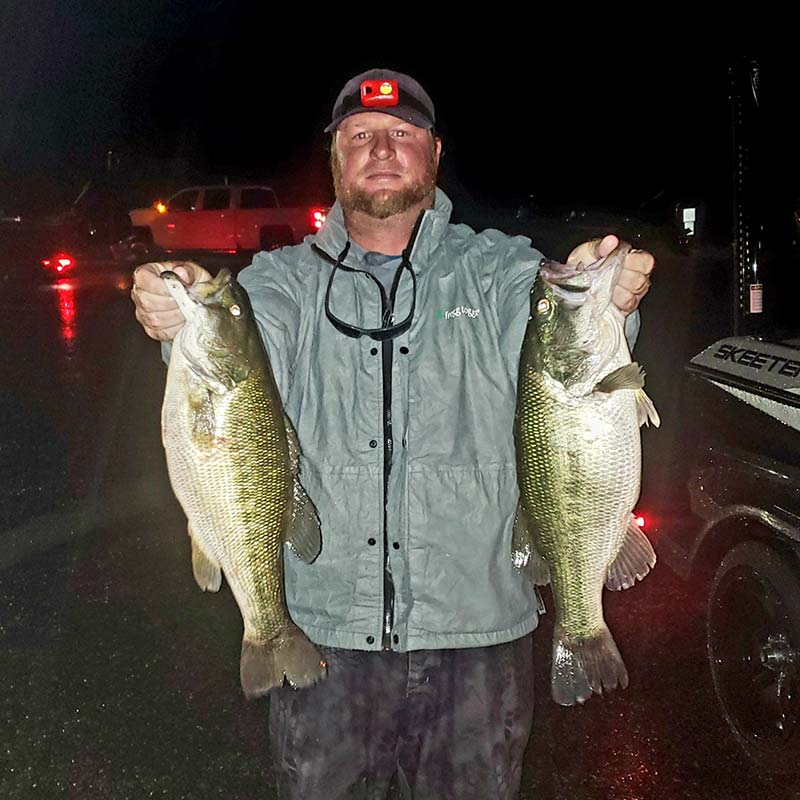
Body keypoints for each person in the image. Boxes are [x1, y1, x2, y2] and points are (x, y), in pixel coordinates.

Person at [131, 68, 654, 800]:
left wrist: (608, 289)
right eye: (359, 136)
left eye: (403, 134)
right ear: (335, 159)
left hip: (478, 634)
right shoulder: (281, 282)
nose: (381, 148)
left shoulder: (495, 269)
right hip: (326, 642)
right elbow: (234, 344)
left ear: (434, 155)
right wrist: (171, 313)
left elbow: (558, 311)